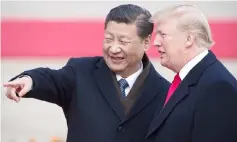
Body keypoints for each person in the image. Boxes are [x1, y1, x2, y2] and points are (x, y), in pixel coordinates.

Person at [3, 4, 170, 142]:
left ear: (146, 42)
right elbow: (52, 79)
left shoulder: (165, 92)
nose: (113, 48)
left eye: (123, 41)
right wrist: (30, 80)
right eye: (108, 39)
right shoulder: (81, 72)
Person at [145, 4, 237, 142]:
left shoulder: (218, 87)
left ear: (189, 39)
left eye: (162, 34)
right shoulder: (187, 79)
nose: (156, 42)